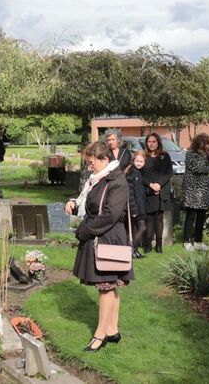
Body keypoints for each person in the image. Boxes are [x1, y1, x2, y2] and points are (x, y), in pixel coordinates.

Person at [65, 141, 133, 352]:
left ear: (105, 159)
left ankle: (100, 335)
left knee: (106, 288)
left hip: (107, 238)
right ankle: (112, 330)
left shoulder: (117, 181)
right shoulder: (98, 180)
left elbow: (110, 215)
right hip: (100, 236)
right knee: (109, 288)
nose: (89, 166)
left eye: (91, 162)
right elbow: (91, 204)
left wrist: (84, 232)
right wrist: (74, 204)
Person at [181, 133, 209, 252]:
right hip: (192, 188)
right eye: (206, 143)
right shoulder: (190, 154)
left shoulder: (207, 155)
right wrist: (208, 168)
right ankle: (187, 241)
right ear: (199, 142)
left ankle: (198, 241)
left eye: (208, 143)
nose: (208, 145)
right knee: (191, 215)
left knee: (201, 216)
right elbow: (197, 168)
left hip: (203, 189)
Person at [142, 133, 174, 253]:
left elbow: (168, 172)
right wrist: (151, 185)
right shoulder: (144, 156)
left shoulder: (164, 156)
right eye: (149, 141)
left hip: (161, 191)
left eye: (154, 141)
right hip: (148, 191)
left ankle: (159, 245)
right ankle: (148, 244)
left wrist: (159, 185)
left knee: (159, 218)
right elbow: (141, 174)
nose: (151, 144)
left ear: (158, 142)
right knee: (149, 218)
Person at [125, 150, 147, 259]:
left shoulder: (141, 172)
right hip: (135, 207)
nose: (139, 163)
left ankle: (135, 250)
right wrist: (133, 209)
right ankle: (131, 249)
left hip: (141, 206)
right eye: (137, 161)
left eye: (141, 161)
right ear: (133, 160)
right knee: (142, 228)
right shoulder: (131, 172)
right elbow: (129, 192)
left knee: (137, 229)